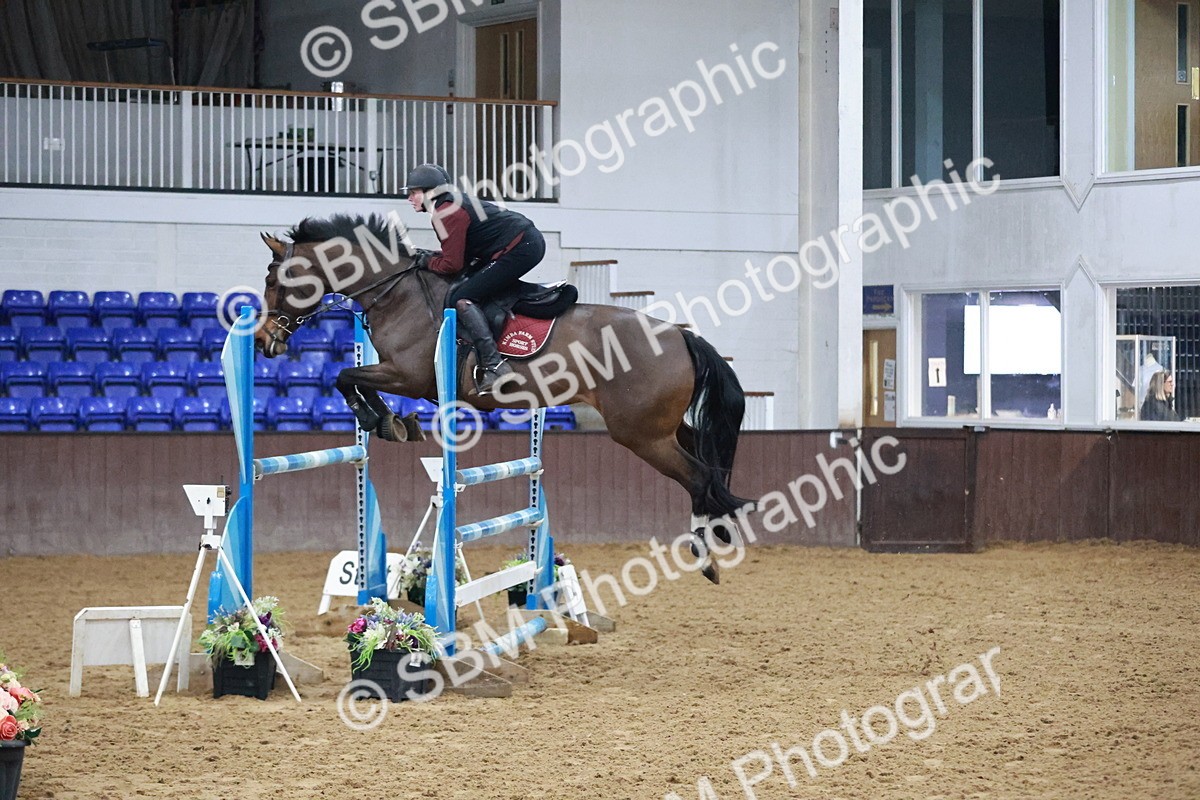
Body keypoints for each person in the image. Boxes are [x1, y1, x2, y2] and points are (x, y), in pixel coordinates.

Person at [402, 163, 546, 394]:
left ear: (431, 193)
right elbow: (457, 257)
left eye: (414, 192)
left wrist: (424, 261)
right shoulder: (449, 205)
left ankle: (494, 364)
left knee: (463, 297)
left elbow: (452, 265)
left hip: (521, 247)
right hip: (521, 242)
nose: (409, 198)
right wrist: (429, 256)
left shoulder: (446, 213)